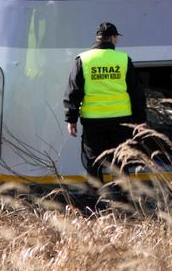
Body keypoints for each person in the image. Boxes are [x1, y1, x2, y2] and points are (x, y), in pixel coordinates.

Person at [63, 22, 147, 182]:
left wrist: (71, 119)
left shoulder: (83, 59)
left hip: (92, 121)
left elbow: (73, 91)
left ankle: (96, 199)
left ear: (98, 38)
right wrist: (141, 120)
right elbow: (136, 93)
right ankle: (122, 199)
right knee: (120, 160)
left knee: (93, 161)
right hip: (121, 120)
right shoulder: (123, 59)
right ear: (113, 38)